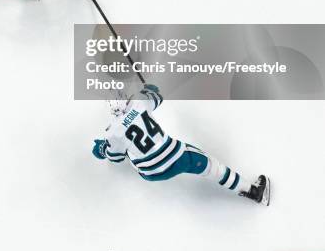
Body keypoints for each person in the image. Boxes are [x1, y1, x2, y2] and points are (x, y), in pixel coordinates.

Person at [92, 85, 270, 206]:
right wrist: (149, 89)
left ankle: (146, 158)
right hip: (176, 157)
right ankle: (253, 192)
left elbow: (116, 158)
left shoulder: (113, 131)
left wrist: (102, 149)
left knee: (131, 152)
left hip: (150, 173)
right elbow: (158, 97)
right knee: (212, 167)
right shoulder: (139, 102)